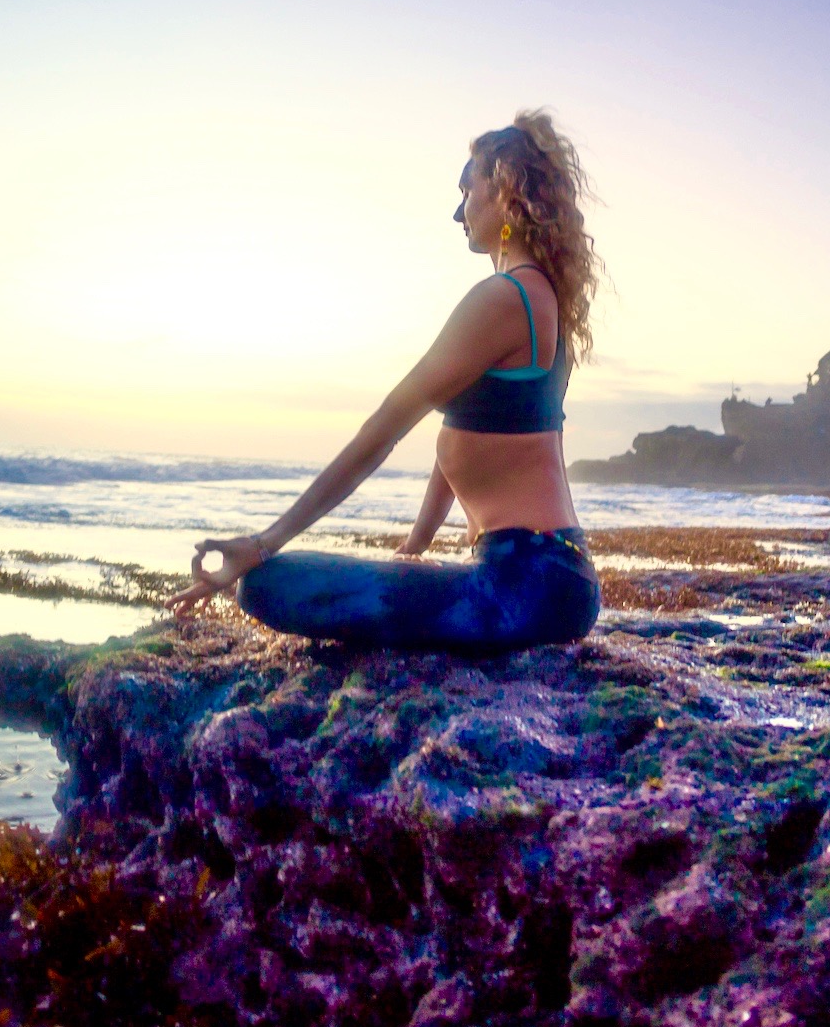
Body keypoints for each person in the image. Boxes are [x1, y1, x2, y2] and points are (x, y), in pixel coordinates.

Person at [168, 111, 601, 654]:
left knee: (267, 585)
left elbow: (383, 429)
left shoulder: (503, 299)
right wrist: (416, 545)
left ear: (506, 193)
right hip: (556, 578)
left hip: (524, 588)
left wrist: (264, 542)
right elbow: (477, 439)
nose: (456, 211)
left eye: (467, 190)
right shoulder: (539, 301)